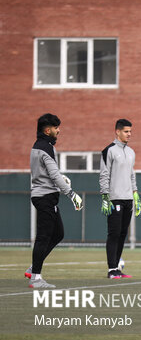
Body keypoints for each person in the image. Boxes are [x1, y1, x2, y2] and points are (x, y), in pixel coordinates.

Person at [26, 113, 83, 289]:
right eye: (56, 127)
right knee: (43, 237)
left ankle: (33, 268)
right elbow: (53, 175)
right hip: (45, 198)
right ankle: (35, 278)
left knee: (58, 233)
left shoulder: (39, 146)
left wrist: (61, 178)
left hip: (43, 196)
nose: (59, 130)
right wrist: (72, 194)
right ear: (47, 129)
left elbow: (48, 173)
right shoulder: (46, 147)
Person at [99, 119, 141, 279]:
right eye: (126, 131)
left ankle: (116, 268)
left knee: (123, 234)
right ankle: (111, 270)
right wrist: (105, 196)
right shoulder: (108, 151)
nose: (129, 134)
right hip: (114, 199)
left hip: (128, 199)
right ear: (117, 131)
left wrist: (135, 194)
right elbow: (104, 175)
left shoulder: (131, 152)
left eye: (130, 131)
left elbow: (132, 174)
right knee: (114, 233)